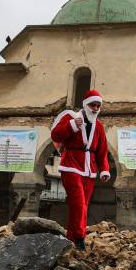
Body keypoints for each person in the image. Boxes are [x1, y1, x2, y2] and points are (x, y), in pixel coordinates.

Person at [51, 89, 111, 250]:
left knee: (83, 204)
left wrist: (104, 169)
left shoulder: (99, 126)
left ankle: (71, 238)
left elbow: (102, 151)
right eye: (93, 104)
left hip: (89, 169)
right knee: (78, 203)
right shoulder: (70, 117)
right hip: (70, 165)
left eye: (98, 105)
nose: (95, 108)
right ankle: (79, 238)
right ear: (85, 105)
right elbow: (56, 135)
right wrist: (71, 127)